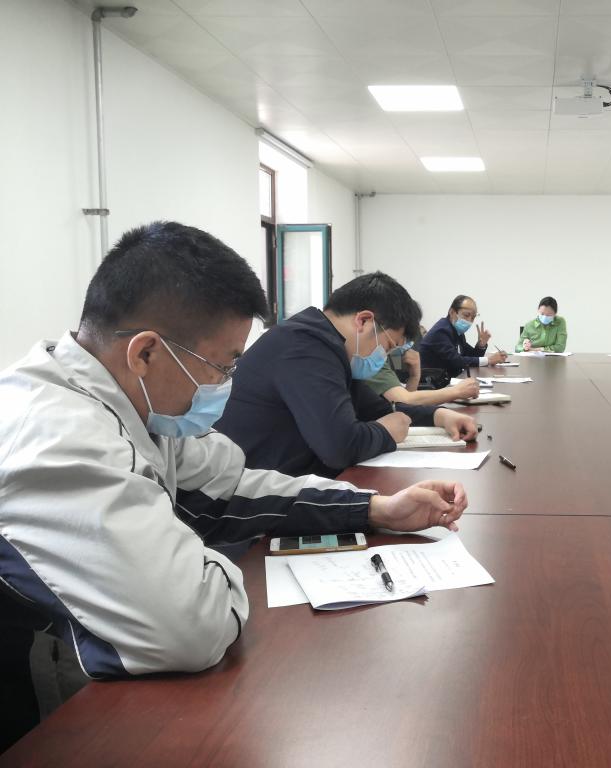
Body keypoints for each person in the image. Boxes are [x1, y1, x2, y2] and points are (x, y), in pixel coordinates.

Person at [0, 224, 467, 746]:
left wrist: (376, 508)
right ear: (146, 353)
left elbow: (232, 485)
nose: (227, 384)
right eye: (222, 366)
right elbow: (193, 626)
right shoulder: (60, 443)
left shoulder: (132, 404)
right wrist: (204, 556)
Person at [216, 273, 478, 477]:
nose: (384, 357)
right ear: (363, 321)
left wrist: (439, 415)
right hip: (249, 495)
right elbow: (339, 447)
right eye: (387, 346)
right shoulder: (306, 347)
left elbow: (377, 409)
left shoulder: (330, 348)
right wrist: (384, 432)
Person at [363, 327, 481, 406]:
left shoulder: (393, 355)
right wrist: (456, 391)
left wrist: (414, 376)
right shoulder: (372, 357)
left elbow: (404, 405)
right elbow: (404, 400)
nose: (407, 342)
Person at [419, 295, 507, 377]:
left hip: (446, 379)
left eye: (473, 317)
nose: (469, 321)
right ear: (452, 312)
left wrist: (481, 345)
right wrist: (489, 360)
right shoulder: (441, 331)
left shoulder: (457, 332)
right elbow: (456, 361)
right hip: (432, 382)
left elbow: (471, 357)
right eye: (466, 315)